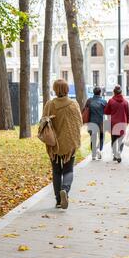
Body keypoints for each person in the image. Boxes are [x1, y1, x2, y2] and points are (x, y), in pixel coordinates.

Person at [42, 79, 82, 209]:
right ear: (66, 89)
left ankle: (58, 201)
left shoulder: (50, 104)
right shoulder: (73, 104)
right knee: (68, 169)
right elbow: (79, 122)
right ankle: (65, 189)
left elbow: (43, 122)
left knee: (56, 171)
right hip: (69, 143)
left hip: (54, 144)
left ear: (55, 89)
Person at [104, 85, 129, 163]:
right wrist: (127, 122)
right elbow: (128, 113)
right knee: (121, 139)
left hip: (113, 123)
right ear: (121, 92)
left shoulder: (111, 101)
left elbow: (106, 111)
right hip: (123, 123)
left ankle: (115, 154)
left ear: (114, 92)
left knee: (114, 139)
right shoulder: (125, 102)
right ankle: (119, 152)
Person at [84, 87, 107, 160]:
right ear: (100, 93)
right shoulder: (104, 101)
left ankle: (93, 154)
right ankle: (99, 150)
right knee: (101, 137)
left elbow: (85, 110)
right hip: (101, 123)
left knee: (92, 138)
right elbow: (107, 112)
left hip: (91, 122)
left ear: (93, 92)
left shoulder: (89, 101)